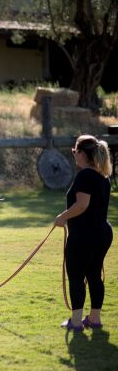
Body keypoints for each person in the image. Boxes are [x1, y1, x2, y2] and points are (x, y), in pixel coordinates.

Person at [54, 134, 113, 332]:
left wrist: (63, 217)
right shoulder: (103, 176)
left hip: (84, 235)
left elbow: (82, 205)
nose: (74, 156)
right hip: (102, 233)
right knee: (94, 275)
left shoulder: (85, 175)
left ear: (81, 153)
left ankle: (76, 321)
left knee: (77, 276)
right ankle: (94, 319)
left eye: (74, 152)